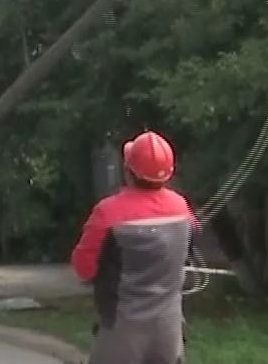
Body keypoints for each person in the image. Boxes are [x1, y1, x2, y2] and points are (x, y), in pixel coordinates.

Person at [69, 131, 195, 364]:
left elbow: (83, 268)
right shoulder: (181, 207)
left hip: (122, 333)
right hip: (169, 332)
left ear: (128, 172)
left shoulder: (108, 212)